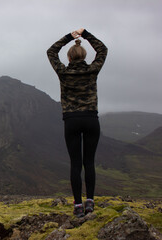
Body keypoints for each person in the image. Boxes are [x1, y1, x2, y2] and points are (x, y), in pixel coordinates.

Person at [47, 28, 108, 218]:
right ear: (84, 56)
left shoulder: (63, 73)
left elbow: (51, 51)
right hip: (91, 119)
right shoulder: (92, 70)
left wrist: (69, 37)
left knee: (75, 164)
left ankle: (78, 206)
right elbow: (103, 50)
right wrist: (86, 35)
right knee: (89, 162)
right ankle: (90, 201)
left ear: (70, 58)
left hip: (71, 120)